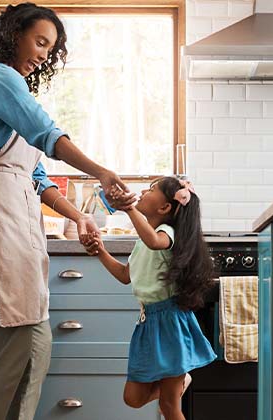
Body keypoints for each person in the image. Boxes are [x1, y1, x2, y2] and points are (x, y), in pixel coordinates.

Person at [0, 3, 134, 420]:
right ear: (13, 34)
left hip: (16, 211)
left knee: (36, 341)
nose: (42, 53)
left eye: (49, 48)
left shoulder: (14, 89)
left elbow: (37, 176)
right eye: (39, 41)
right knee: (14, 336)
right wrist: (102, 172)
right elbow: (47, 132)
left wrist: (78, 216)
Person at [84, 176, 218, 420]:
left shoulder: (166, 233)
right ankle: (180, 379)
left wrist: (129, 208)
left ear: (165, 208)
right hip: (149, 323)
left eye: (152, 188)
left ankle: (175, 385)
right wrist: (100, 251)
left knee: (169, 407)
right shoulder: (142, 242)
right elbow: (126, 275)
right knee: (132, 398)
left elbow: (155, 242)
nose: (145, 190)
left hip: (171, 323)